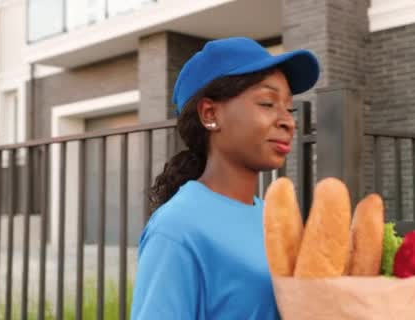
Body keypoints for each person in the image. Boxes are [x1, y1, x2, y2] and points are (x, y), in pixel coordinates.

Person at [130, 37, 320, 319]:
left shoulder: (272, 219)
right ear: (210, 114)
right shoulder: (177, 228)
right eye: (267, 103)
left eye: (289, 108)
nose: (288, 121)